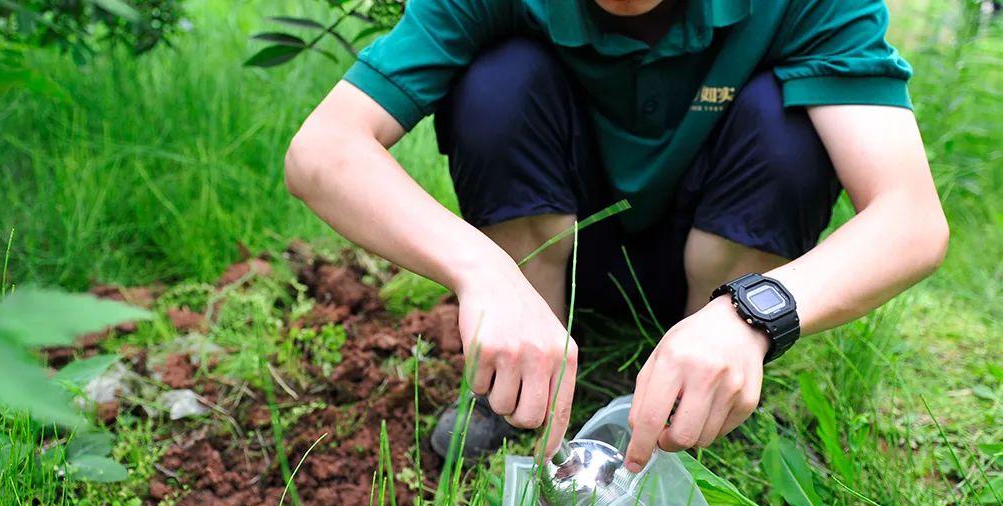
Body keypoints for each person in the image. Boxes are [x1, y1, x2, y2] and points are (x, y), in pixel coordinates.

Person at [284, 0, 949, 471]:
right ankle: (523, 381)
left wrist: (756, 310)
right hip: (556, 250)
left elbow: (910, 217)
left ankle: (704, 394)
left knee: (790, 125)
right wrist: (484, 272)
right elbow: (322, 152)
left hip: (721, 269)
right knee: (497, 82)